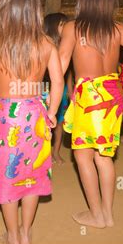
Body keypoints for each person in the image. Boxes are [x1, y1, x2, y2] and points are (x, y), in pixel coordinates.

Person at [0, 0, 64, 244]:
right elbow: (58, 82)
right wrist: (51, 112)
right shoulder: (46, 43)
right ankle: (26, 232)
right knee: (32, 175)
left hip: (8, 118)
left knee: (9, 175)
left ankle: (13, 236)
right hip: (36, 114)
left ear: (3, 6)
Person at [58, 0, 123, 228]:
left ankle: (96, 214)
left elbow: (62, 63)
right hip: (113, 94)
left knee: (83, 157)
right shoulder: (119, 29)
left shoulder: (73, 28)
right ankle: (108, 214)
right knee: (104, 157)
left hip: (88, 99)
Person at [43, 12, 73, 164]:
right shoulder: (45, 45)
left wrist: (70, 91)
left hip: (61, 91)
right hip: (43, 89)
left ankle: (56, 152)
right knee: (43, 123)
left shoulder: (66, 46)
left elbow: (68, 73)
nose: (67, 27)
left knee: (60, 122)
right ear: (53, 27)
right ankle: (44, 153)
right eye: (63, 24)